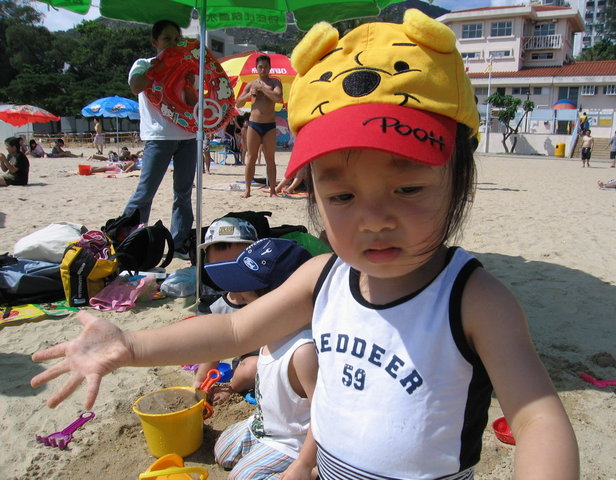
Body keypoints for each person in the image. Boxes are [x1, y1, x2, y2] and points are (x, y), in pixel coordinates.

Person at [30, 10, 579, 480]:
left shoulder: (473, 300)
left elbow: (536, 419)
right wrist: (130, 345)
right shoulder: (324, 277)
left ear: (459, 181)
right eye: (341, 196)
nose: (373, 220)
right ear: (311, 194)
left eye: (408, 188)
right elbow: (233, 330)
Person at [205, 238, 317, 479]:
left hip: (293, 441)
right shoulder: (270, 330)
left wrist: (305, 464)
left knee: (241, 477)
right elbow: (218, 341)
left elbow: (325, 416)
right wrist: (199, 382)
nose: (237, 301)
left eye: (246, 301)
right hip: (265, 424)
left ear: (282, 303)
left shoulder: (303, 351)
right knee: (222, 449)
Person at [123, 19, 198, 260]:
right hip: (159, 136)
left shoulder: (187, 67)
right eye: (167, 39)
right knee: (145, 192)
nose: (173, 43)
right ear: (154, 41)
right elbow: (136, 86)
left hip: (187, 136)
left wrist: (189, 84)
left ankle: (179, 244)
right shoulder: (143, 64)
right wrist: (162, 66)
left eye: (177, 39)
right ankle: (127, 240)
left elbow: (192, 103)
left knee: (183, 194)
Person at [193, 217, 260, 401]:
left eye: (238, 266)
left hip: (280, 357)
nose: (231, 275)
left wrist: (251, 297)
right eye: (220, 269)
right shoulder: (219, 308)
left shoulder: (269, 294)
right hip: (249, 365)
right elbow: (214, 350)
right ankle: (232, 388)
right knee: (251, 367)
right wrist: (199, 383)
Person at [236, 55, 283, 198]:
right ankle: (247, 189)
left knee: (270, 159)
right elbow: (238, 103)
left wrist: (263, 88)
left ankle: (273, 190)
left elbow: (277, 97)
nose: (263, 70)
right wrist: (249, 95)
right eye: (260, 67)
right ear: (256, 68)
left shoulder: (275, 82)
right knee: (251, 157)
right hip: (254, 124)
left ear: (270, 67)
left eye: (265, 67)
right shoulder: (251, 84)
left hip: (269, 125)